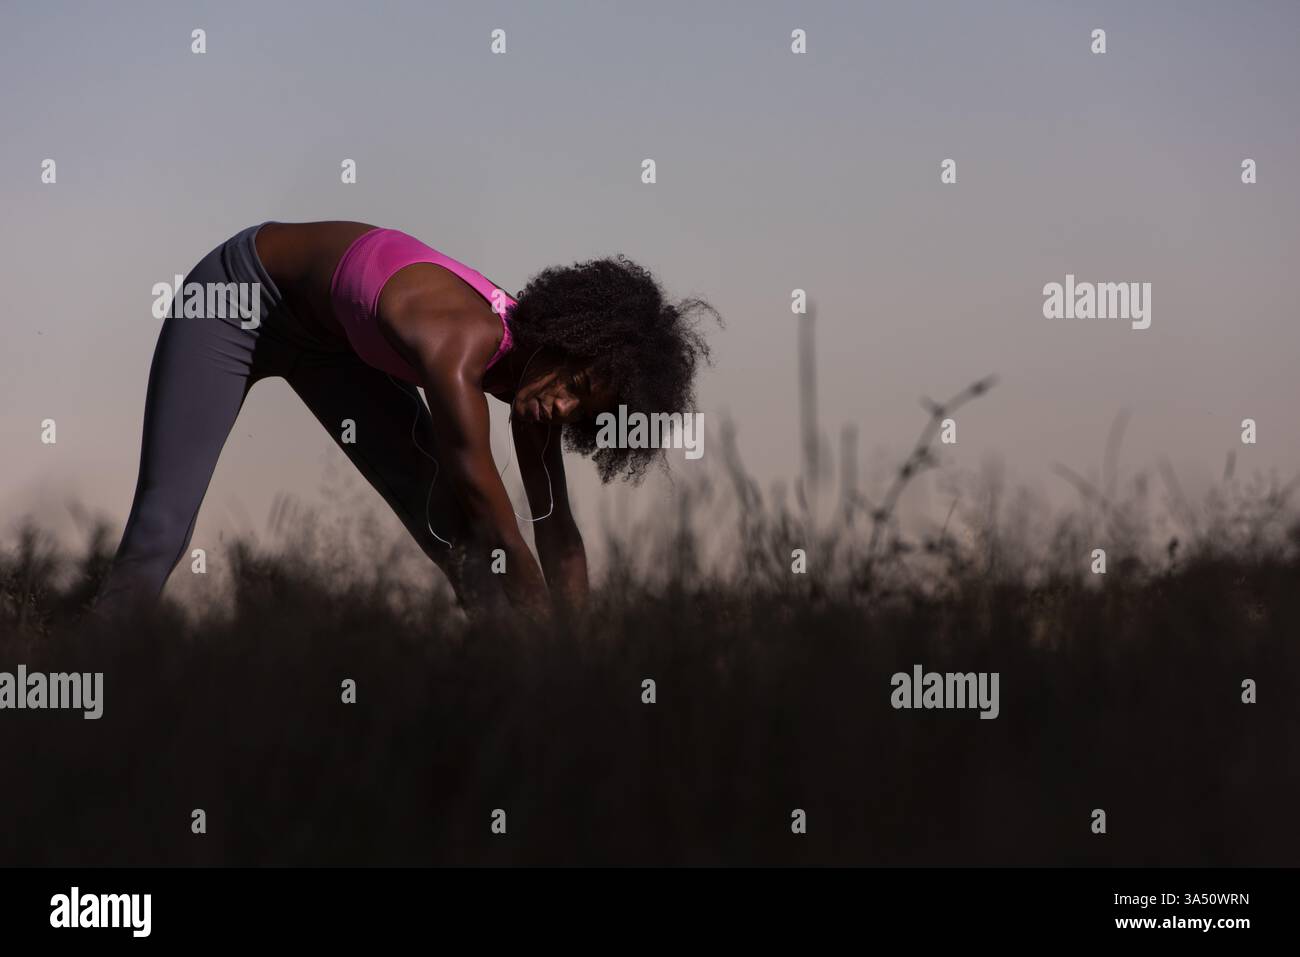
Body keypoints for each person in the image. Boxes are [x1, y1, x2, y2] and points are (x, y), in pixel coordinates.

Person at [95, 221, 717, 621]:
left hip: (330, 346)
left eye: (586, 411)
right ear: (561, 338)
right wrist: (535, 612)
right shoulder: (459, 341)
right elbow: (482, 494)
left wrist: (578, 654)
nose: (564, 409)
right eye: (575, 387)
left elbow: (555, 528)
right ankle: (87, 700)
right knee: (159, 533)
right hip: (237, 299)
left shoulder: (535, 387)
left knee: (460, 544)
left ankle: (514, 720)